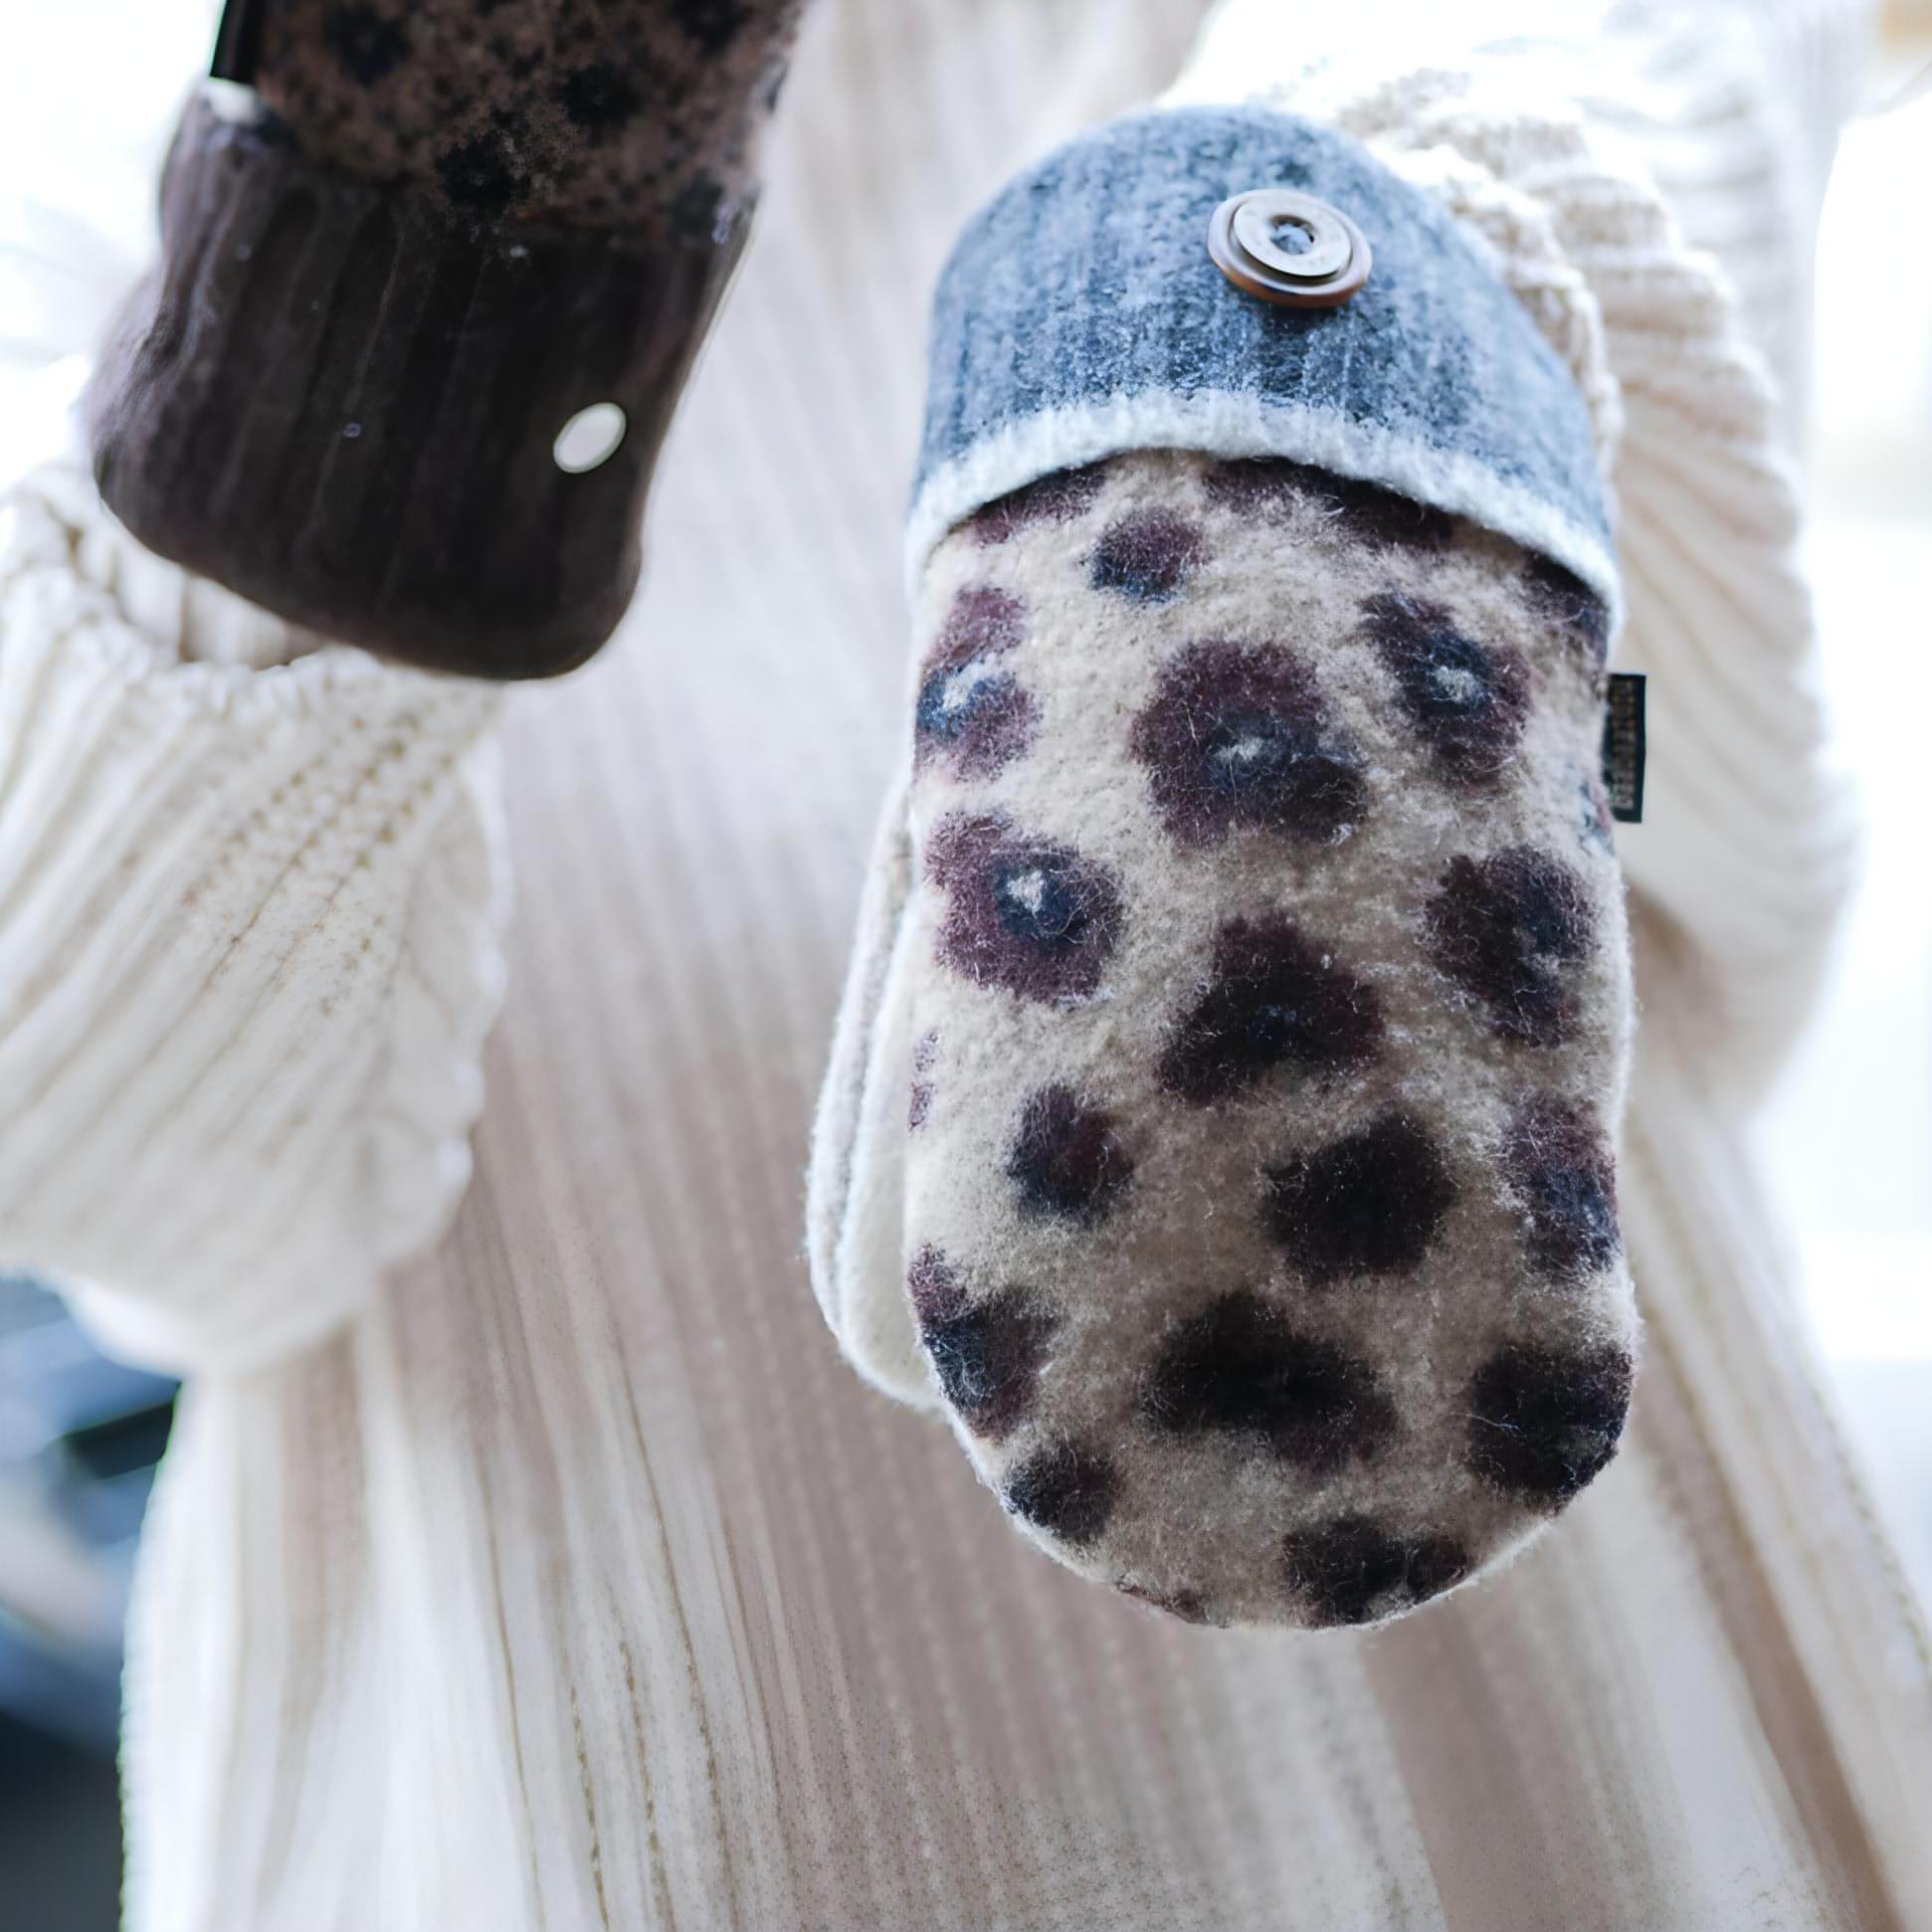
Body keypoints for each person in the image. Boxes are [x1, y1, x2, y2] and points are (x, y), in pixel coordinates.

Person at [1, 0, 1927, 1925]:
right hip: (717, 1751)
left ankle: (1303, 291)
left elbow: (1709, 888)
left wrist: (1296, 282)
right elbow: (140, 1179)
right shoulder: (71, 158)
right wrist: (382, 278)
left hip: (1536, 1737)